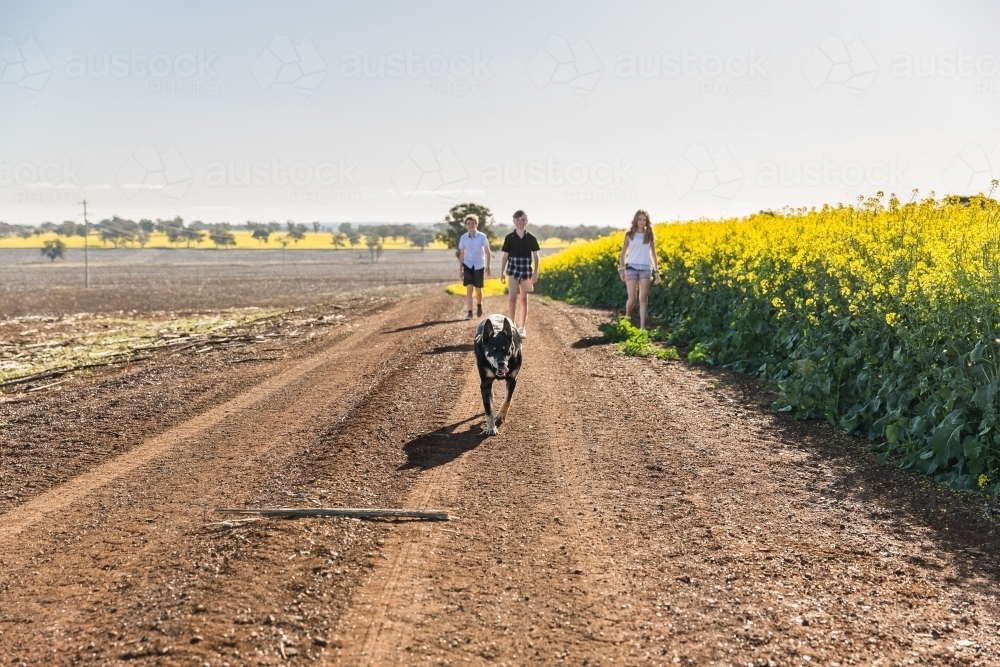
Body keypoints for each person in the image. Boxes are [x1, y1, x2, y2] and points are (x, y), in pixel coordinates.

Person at [499, 210, 540, 339]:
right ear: (514, 221)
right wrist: (502, 272)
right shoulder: (509, 238)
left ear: (527, 221)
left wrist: (535, 272)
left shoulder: (531, 238)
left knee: (523, 299)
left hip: (526, 271)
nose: (520, 222)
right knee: (512, 298)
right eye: (517, 220)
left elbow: (536, 256)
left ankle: (522, 328)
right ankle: (511, 326)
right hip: (512, 271)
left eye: (523, 219)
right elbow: (505, 256)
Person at [618, 209, 660, 330]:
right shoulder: (629, 234)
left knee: (643, 297)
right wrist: (622, 269)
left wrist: (657, 272)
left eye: (644, 220)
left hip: (645, 268)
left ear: (647, 222)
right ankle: (627, 317)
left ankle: (642, 327)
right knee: (632, 298)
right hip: (631, 267)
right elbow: (623, 253)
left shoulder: (649, 235)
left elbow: (653, 254)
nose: (642, 222)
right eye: (640, 219)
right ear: (636, 220)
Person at [457, 214, 492, 320]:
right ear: (465, 225)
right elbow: (462, 254)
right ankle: (469, 312)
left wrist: (488, 266)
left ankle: (479, 304)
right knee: (469, 289)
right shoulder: (463, 238)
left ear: (476, 224)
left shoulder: (482, 236)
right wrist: (460, 270)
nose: (470, 225)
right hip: (468, 265)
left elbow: (487, 252)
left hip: (479, 265)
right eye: (468, 223)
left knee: (478, 290)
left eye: (473, 223)